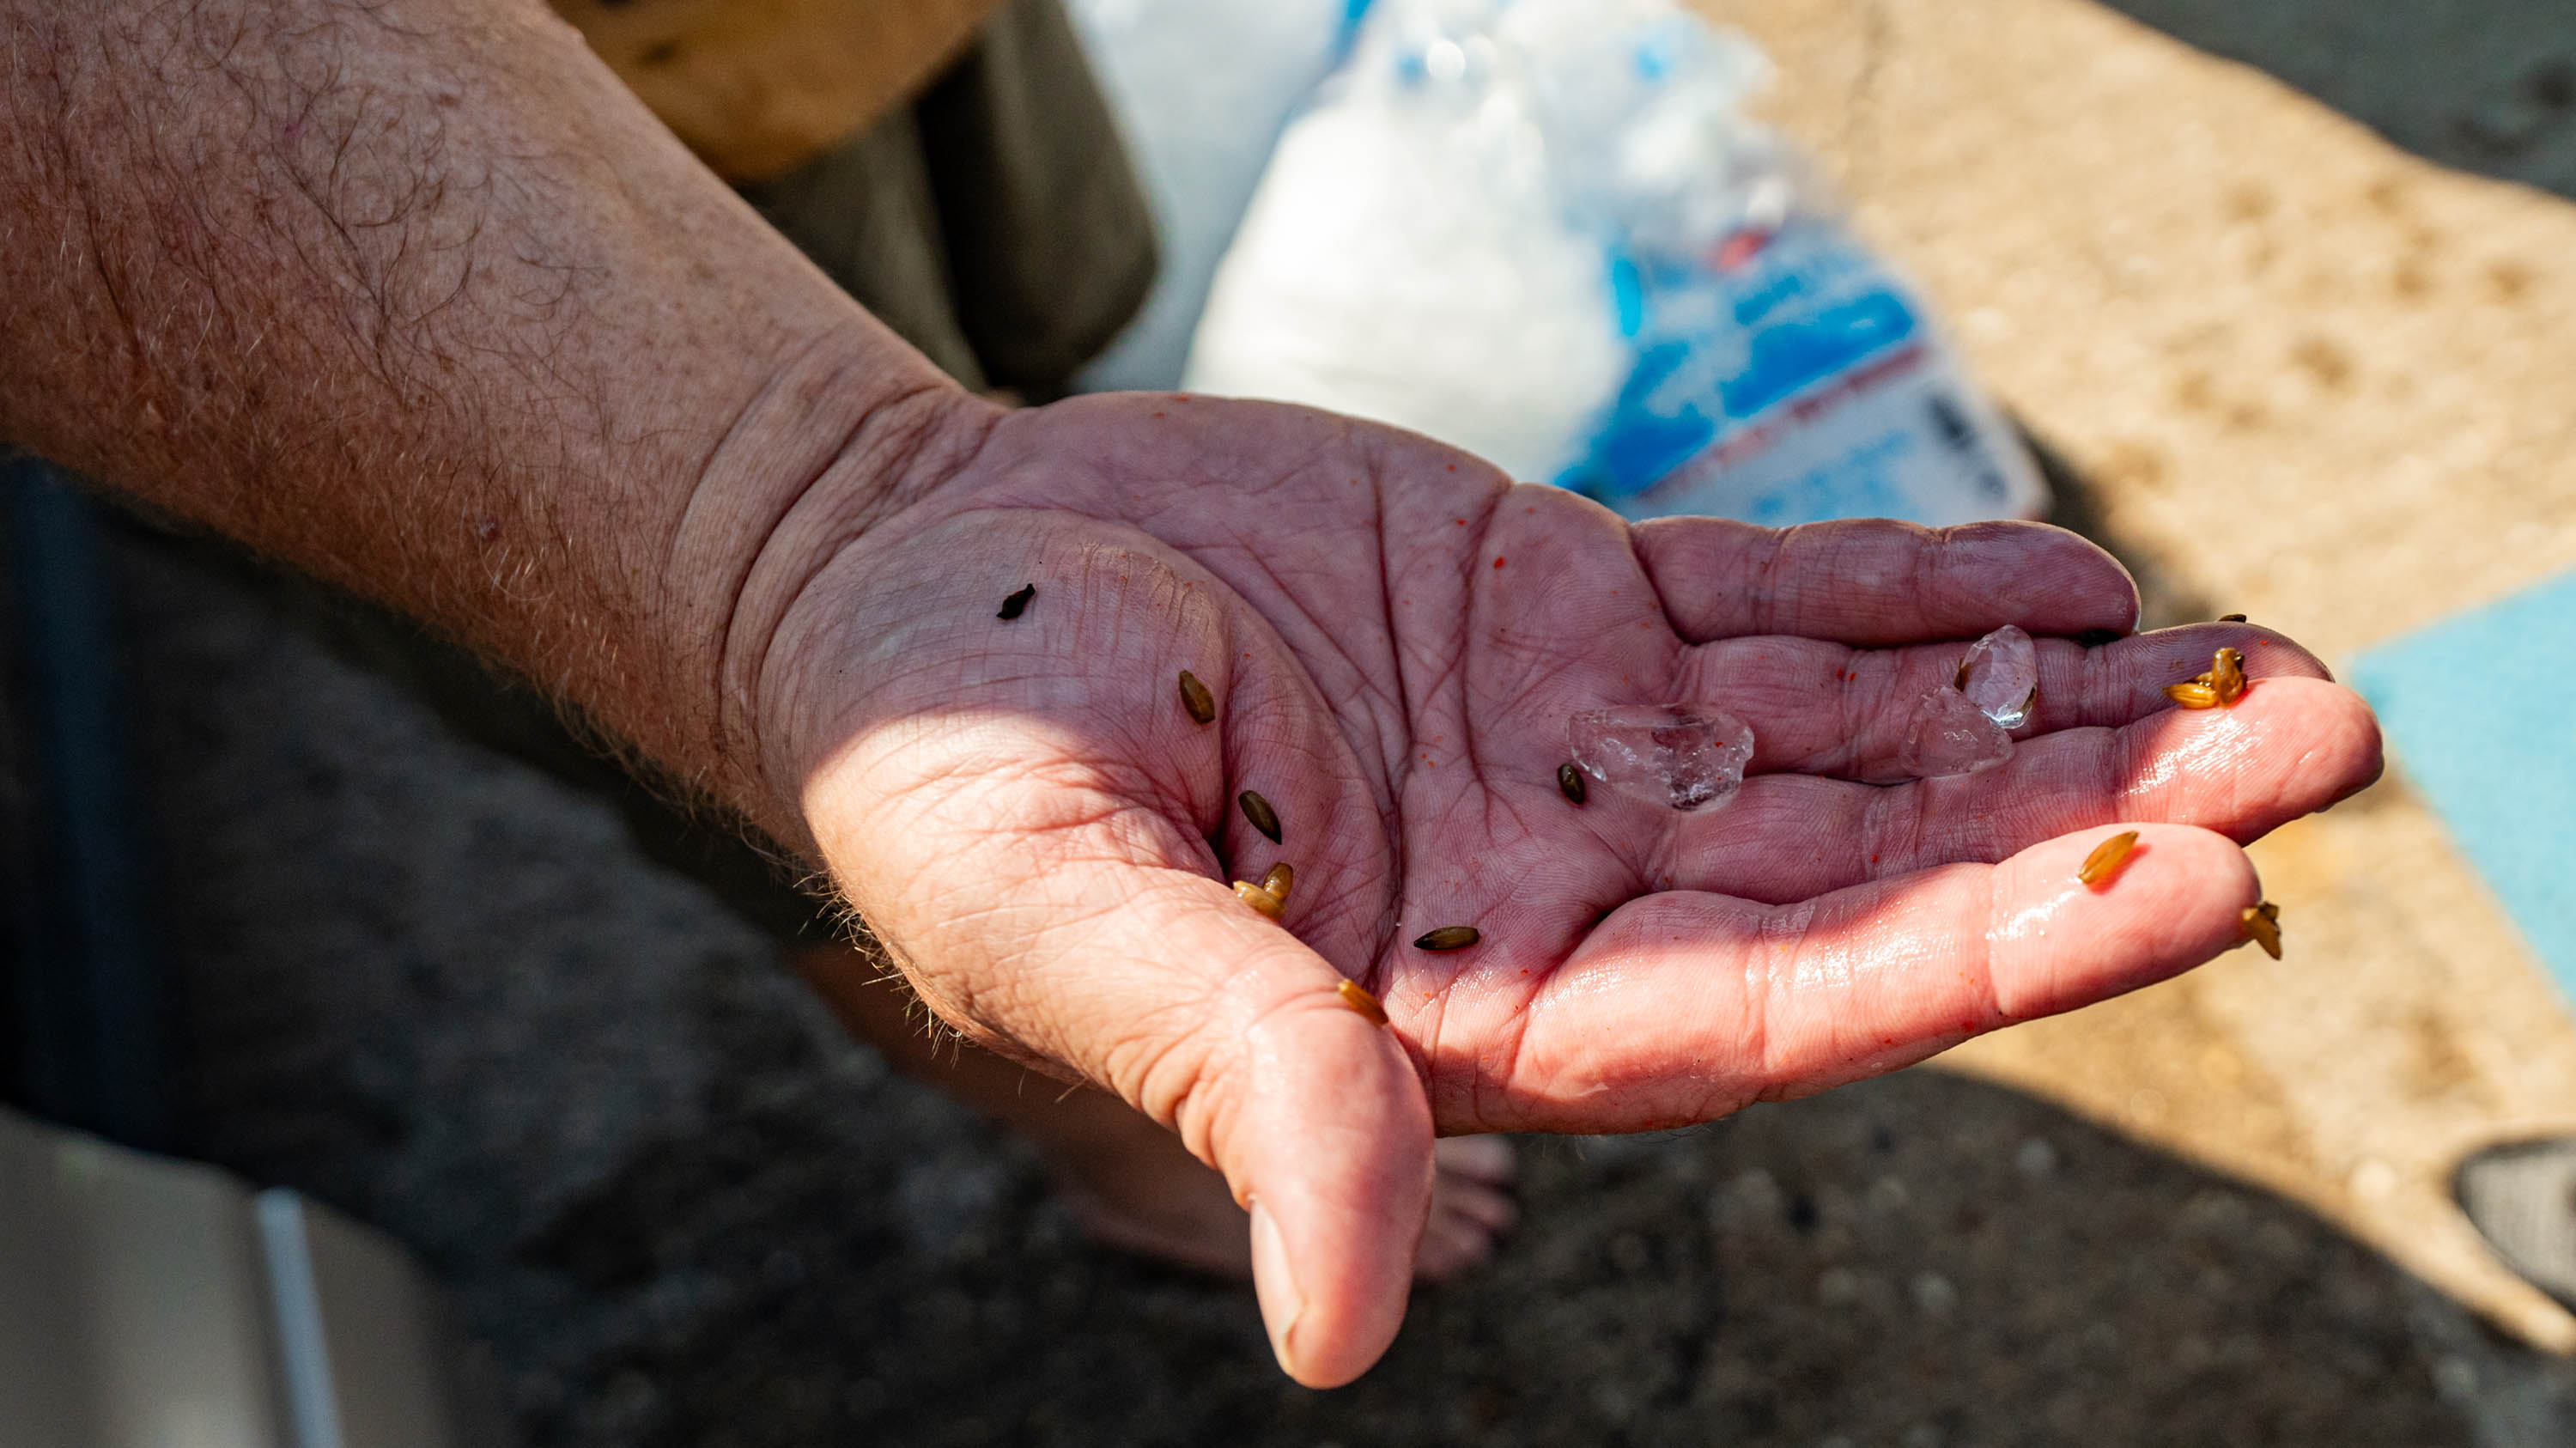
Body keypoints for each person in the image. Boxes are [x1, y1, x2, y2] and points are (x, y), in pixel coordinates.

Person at [0, 0, 2383, 1390]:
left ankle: (1014, 436)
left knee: (1033, 312)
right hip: (424, 156)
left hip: (879, 39)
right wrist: (793, 515)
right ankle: (1080, 1105)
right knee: (826, 752)